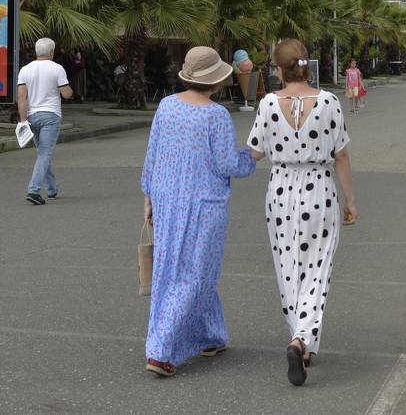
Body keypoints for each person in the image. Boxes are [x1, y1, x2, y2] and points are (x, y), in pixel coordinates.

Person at [140, 47, 258, 377]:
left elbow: (153, 153)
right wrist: (252, 156)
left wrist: (148, 196)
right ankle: (161, 350)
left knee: (179, 268)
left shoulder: (166, 106)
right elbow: (227, 163)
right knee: (194, 273)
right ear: (216, 81)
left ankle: (210, 335)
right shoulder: (215, 115)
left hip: (167, 198)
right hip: (203, 204)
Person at [247, 39, 357, 386]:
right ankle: (301, 340)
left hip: (281, 188)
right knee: (317, 268)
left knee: (287, 265)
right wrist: (350, 199)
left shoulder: (268, 103)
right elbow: (341, 154)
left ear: (278, 69)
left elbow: (255, 152)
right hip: (318, 187)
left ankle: (301, 338)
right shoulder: (328, 102)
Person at [16, 37, 73, 205]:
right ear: (51, 52)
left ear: (36, 51)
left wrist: (23, 120)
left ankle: (51, 189)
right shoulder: (57, 69)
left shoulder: (25, 70)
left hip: (32, 116)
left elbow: (21, 97)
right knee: (45, 153)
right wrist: (69, 90)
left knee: (43, 153)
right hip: (51, 115)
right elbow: (66, 94)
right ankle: (33, 190)